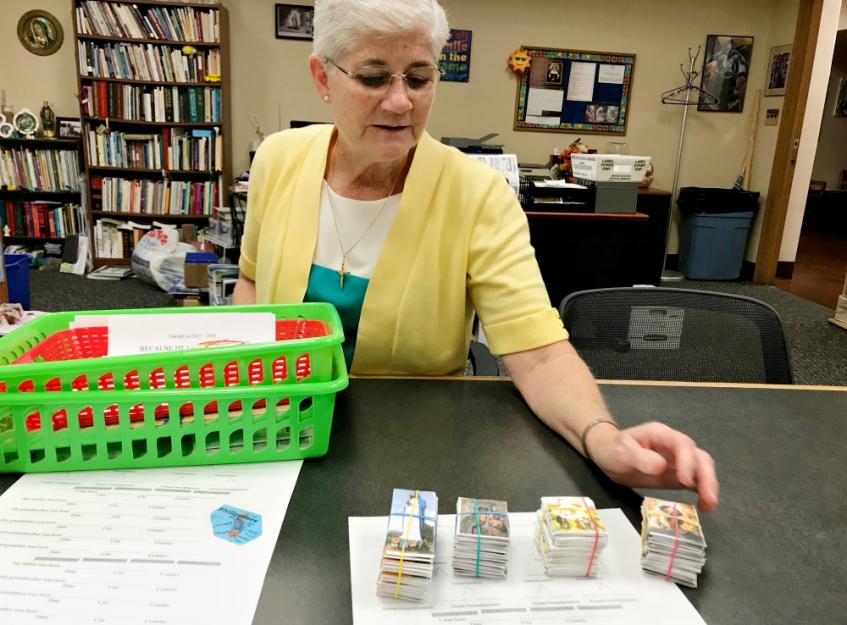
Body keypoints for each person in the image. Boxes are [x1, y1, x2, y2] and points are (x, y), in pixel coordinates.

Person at [233, 0, 719, 513]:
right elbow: (251, 284)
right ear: (323, 77)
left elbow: (539, 353)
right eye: (374, 78)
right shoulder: (279, 159)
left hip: (411, 456)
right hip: (279, 433)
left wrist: (602, 436)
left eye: (419, 79)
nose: (400, 102)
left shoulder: (477, 195)